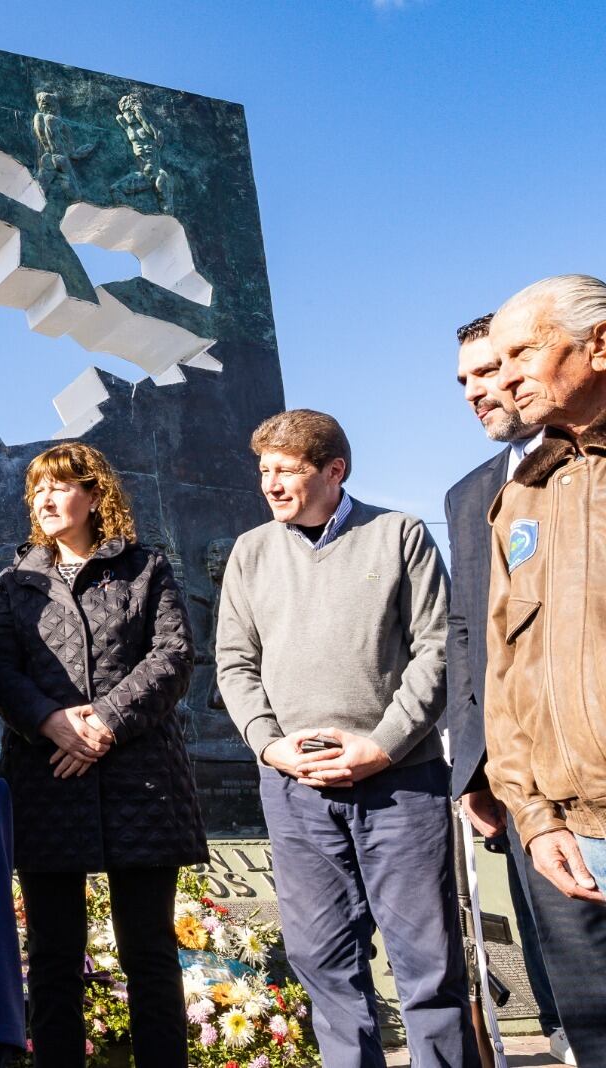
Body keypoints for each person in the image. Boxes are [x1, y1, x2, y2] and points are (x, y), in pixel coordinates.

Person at [215, 409, 477, 1068]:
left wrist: (383, 745)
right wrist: (268, 744)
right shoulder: (251, 551)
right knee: (322, 959)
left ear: (334, 471)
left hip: (400, 783)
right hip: (294, 788)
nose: (270, 484)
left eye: (286, 470)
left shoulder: (399, 534)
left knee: (427, 963)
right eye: (264, 470)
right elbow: (234, 662)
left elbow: (438, 650)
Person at [0, 442, 204, 1067]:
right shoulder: (17, 581)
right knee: (54, 957)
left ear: (94, 494)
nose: (45, 500)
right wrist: (51, 722)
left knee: (150, 953)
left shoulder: (144, 567)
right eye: (36, 492)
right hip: (46, 781)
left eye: (58, 487)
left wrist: (104, 721)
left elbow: (172, 656)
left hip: (140, 782)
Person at [484, 274, 606, 1064]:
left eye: (524, 353)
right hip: (569, 839)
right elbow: (507, 676)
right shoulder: (520, 500)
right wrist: (534, 818)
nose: (507, 378)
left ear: (598, 344)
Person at [442, 312, 565, 1056]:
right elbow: (466, 633)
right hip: (523, 785)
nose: (476, 391)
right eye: (464, 381)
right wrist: (475, 769)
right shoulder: (468, 495)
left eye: (489, 371)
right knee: (565, 983)